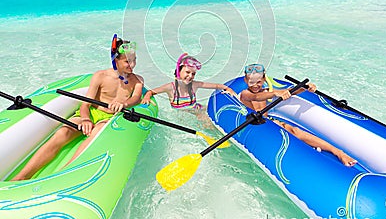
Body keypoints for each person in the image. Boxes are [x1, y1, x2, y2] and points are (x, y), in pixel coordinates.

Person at [12, 35, 144, 181]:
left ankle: (63, 172)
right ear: (115, 60)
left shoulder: (136, 80)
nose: (132, 64)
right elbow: (85, 104)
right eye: (127, 61)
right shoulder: (100, 76)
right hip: (91, 112)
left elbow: (136, 97)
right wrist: (86, 119)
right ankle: (22, 176)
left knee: (97, 133)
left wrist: (124, 104)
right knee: (62, 134)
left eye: (134, 60)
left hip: (109, 118)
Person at [239, 64, 357, 167]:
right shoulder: (246, 93)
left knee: (296, 131)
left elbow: (290, 91)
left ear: (264, 79)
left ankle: (338, 152)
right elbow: (255, 97)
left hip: (269, 121)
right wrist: (274, 93)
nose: (255, 85)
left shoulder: (265, 91)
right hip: (254, 124)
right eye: (251, 82)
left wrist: (305, 88)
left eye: (258, 82)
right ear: (245, 80)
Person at [142, 52, 235, 114]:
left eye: (193, 74)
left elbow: (216, 85)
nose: (190, 76)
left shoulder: (194, 85)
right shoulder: (170, 88)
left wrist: (228, 89)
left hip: (197, 110)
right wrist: (146, 97)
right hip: (183, 116)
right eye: (187, 72)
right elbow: (150, 92)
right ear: (179, 71)